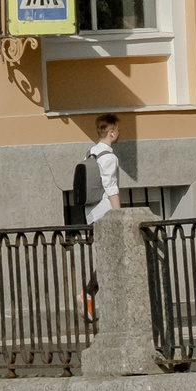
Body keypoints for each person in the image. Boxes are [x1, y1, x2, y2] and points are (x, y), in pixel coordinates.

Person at [79, 113, 121, 318]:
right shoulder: (110, 157)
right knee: (112, 258)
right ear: (112, 133)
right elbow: (111, 188)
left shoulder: (90, 153)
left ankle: (89, 295)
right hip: (106, 212)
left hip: (91, 213)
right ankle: (88, 292)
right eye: (118, 130)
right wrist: (118, 214)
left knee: (106, 257)